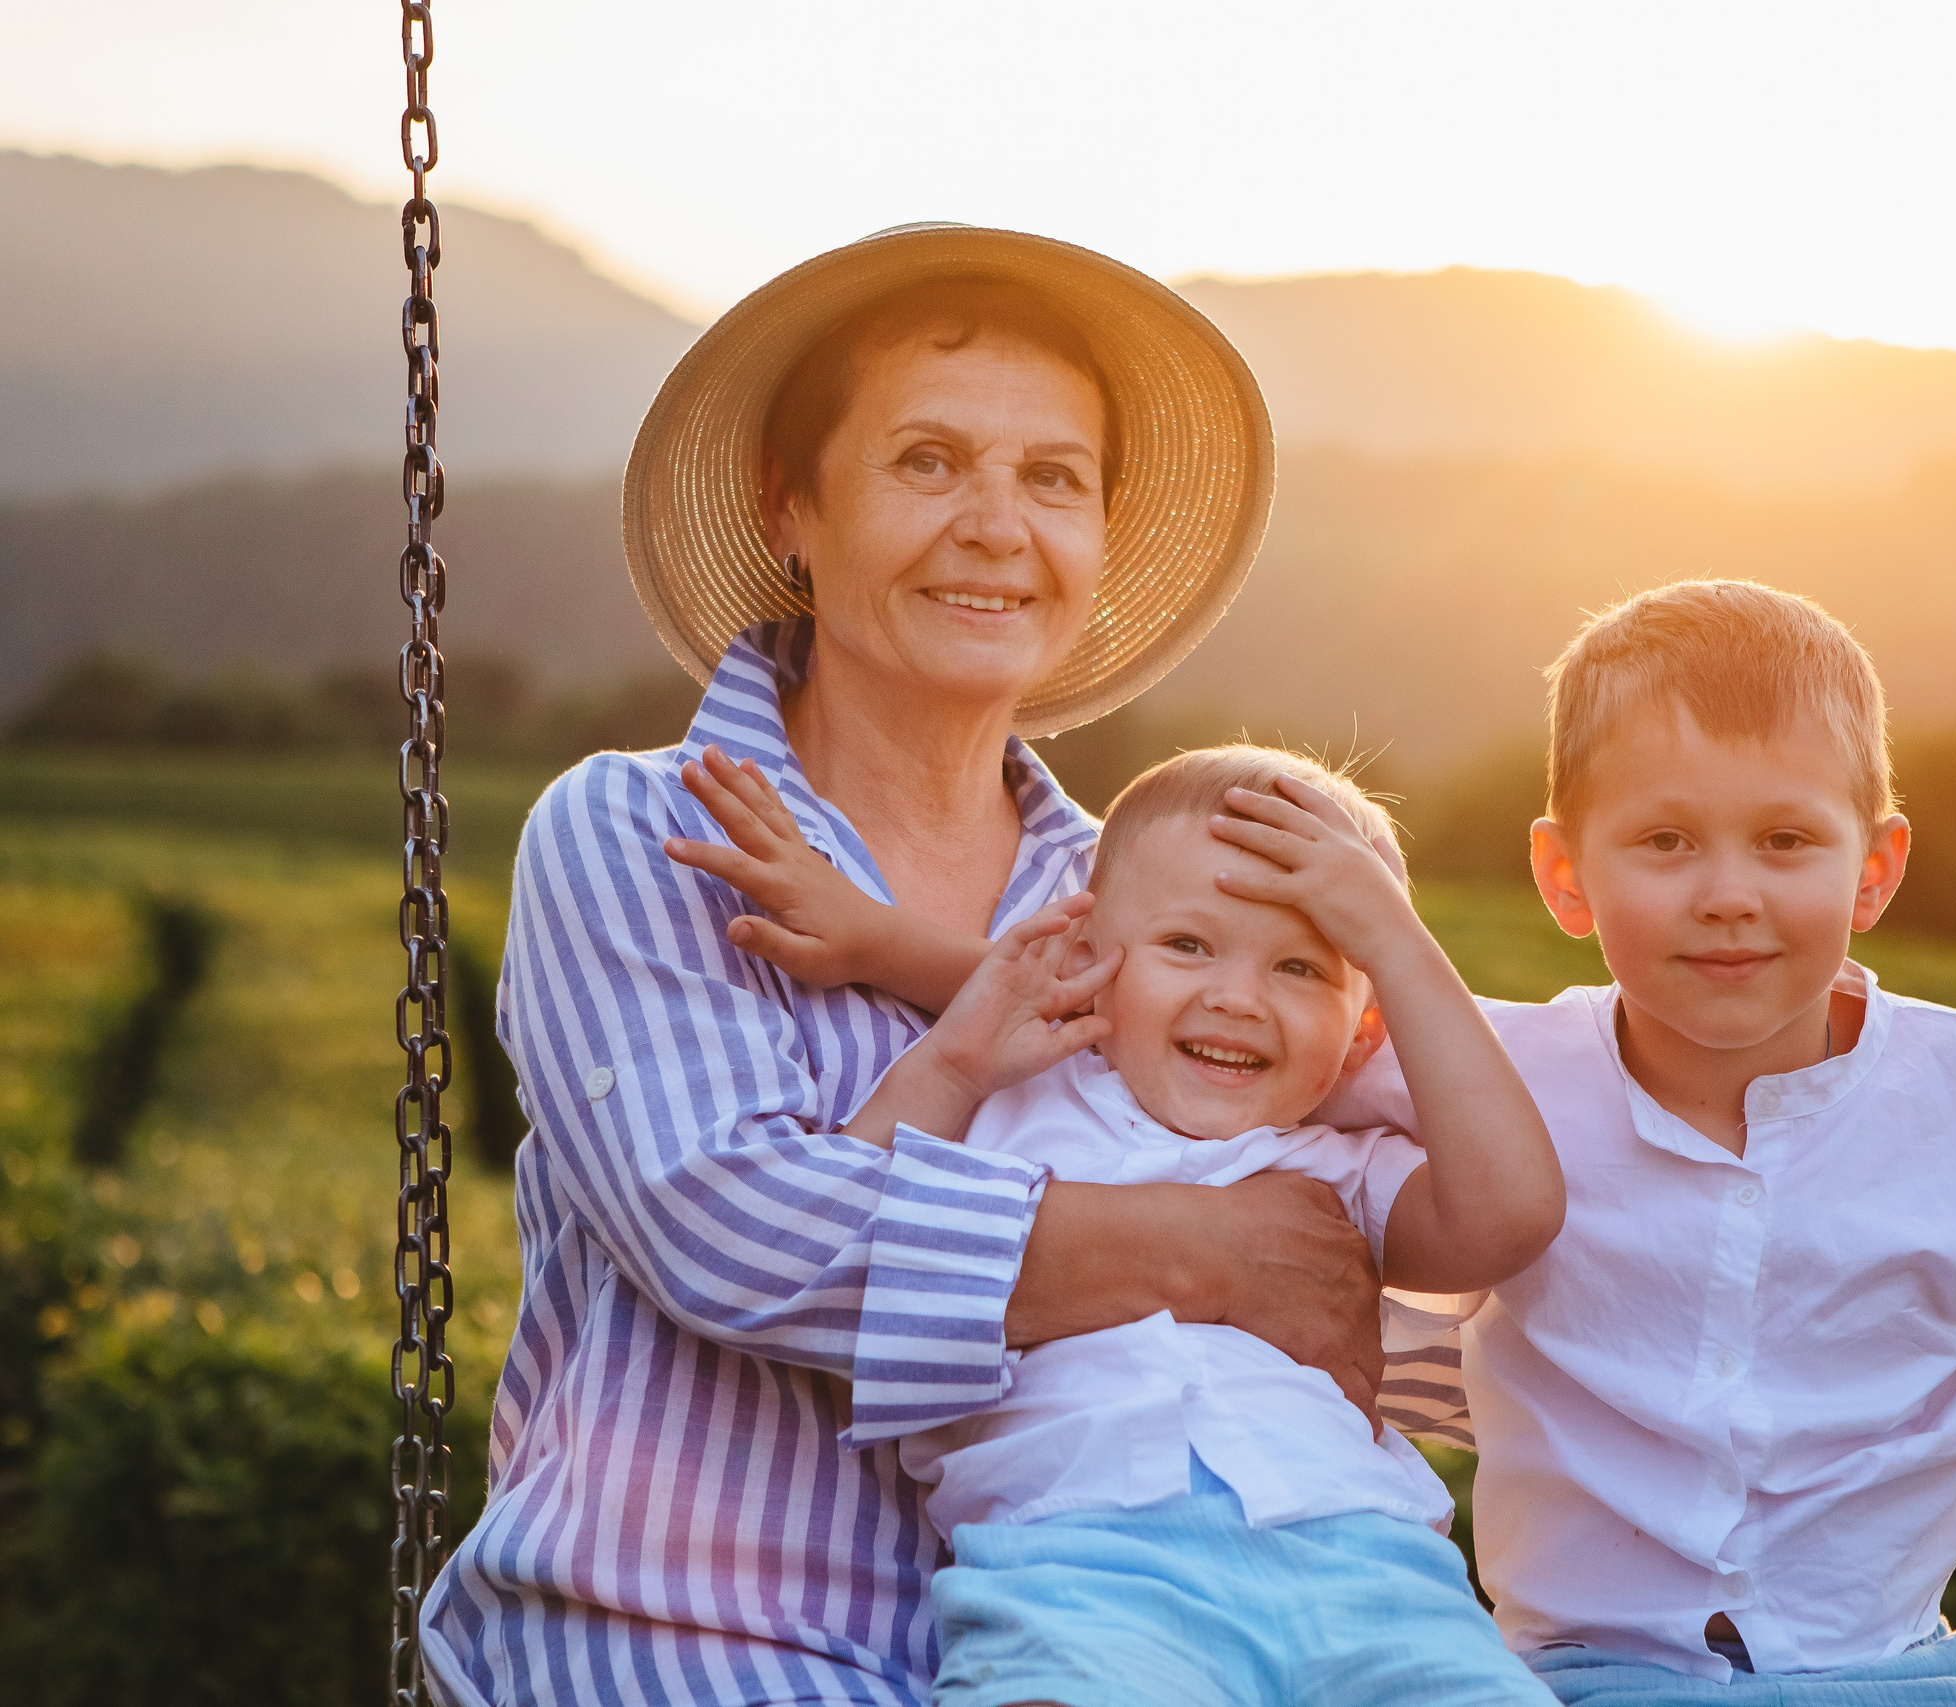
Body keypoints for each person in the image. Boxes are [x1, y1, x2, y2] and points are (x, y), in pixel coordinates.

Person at [421, 226, 1384, 1707]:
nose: (998, 524)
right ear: (790, 505)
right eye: (929, 461)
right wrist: (1199, 1245)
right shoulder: (641, 829)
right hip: (677, 1640)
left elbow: (1356, 1249)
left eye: (1054, 478)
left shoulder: (1147, 906)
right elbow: (730, 1227)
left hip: (1075, 1643)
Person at [1322, 579, 1956, 1704]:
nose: (1728, 894)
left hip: (1902, 1676)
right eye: (1664, 840)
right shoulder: (1485, 1080)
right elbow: (1236, 1096)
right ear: (1565, 874)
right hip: (1589, 1681)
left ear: (1873, 869)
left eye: (1785, 840)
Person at [796, 743, 1565, 1707]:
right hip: (1086, 1569)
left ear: (1362, 1032)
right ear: (1087, 960)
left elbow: (1514, 1208)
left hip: (1374, 1574)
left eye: (1299, 968)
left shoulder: (1334, 1169)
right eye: (1187, 945)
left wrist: (1397, 943)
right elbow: (843, 1234)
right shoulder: (1008, 1109)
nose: (1237, 997)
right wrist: (951, 1064)